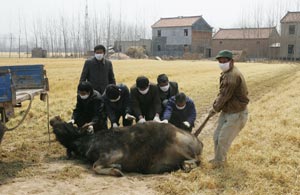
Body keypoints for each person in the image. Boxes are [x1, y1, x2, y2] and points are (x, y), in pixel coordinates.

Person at [208, 50, 249, 167]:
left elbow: (224, 96)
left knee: (223, 139)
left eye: (224, 61)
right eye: (220, 61)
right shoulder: (227, 73)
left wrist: (214, 109)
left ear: (232, 61)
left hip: (237, 114)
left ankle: (219, 163)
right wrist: (215, 106)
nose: (221, 63)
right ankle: (218, 158)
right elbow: (221, 94)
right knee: (216, 136)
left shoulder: (232, 76)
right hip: (228, 110)